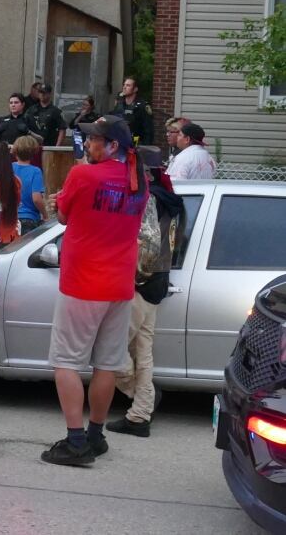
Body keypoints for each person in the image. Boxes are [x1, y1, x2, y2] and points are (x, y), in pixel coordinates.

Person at [41, 115, 148, 467]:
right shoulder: (139, 181)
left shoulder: (82, 174)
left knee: (65, 362)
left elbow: (63, 217)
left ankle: (75, 442)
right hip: (119, 284)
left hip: (83, 283)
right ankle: (95, 436)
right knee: (107, 363)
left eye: (93, 139)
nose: (87, 144)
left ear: (112, 145)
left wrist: (59, 201)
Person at [107, 146, 184, 438]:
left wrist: (132, 278)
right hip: (159, 280)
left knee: (110, 347)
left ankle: (143, 399)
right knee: (143, 350)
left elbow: (146, 243)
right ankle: (140, 414)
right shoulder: (172, 200)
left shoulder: (148, 199)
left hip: (140, 281)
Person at [11, 135, 48, 232]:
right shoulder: (35, 171)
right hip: (28, 217)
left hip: (10, 217)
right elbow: (36, 199)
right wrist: (45, 215)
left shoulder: (9, 168)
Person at [111, 77, 154, 146]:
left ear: (135, 89)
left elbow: (148, 130)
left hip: (136, 143)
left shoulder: (142, 106)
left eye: (128, 85)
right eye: (124, 85)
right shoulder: (119, 103)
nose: (124, 87)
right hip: (120, 142)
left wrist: (145, 148)